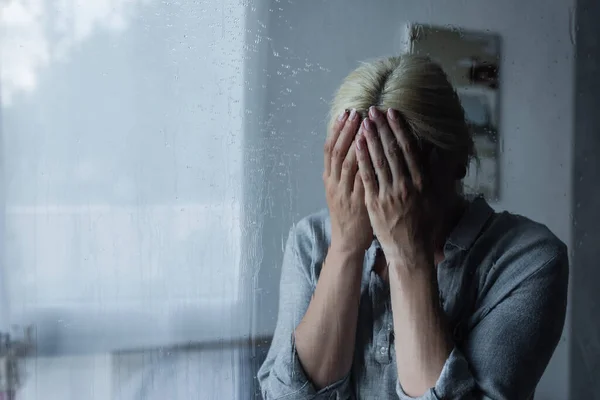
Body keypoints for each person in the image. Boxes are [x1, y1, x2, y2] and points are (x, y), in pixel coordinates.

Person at [257, 55, 568, 400]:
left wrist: (406, 255)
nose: (385, 193)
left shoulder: (528, 259)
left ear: (458, 159)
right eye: (364, 167)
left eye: (401, 167)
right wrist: (345, 246)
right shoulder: (311, 241)